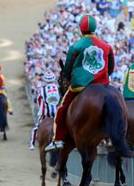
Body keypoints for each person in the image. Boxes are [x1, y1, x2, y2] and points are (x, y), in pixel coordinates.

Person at [45, 14, 115, 151]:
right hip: (103, 85)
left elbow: (66, 71)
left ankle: (57, 139)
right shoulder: (107, 47)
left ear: (81, 30)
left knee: (61, 108)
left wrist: (70, 77)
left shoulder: (75, 47)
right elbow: (111, 68)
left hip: (80, 86)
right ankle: (112, 136)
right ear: (95, 29)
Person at [29, 71, 60, 150]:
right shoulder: (58, 88)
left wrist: (41, 109)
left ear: (45, 80)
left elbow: (39, 100)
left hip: (46, 113)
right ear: (53, 79)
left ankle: (32, 144)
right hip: (56, 113)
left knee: (36, 127)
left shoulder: (42, 89)